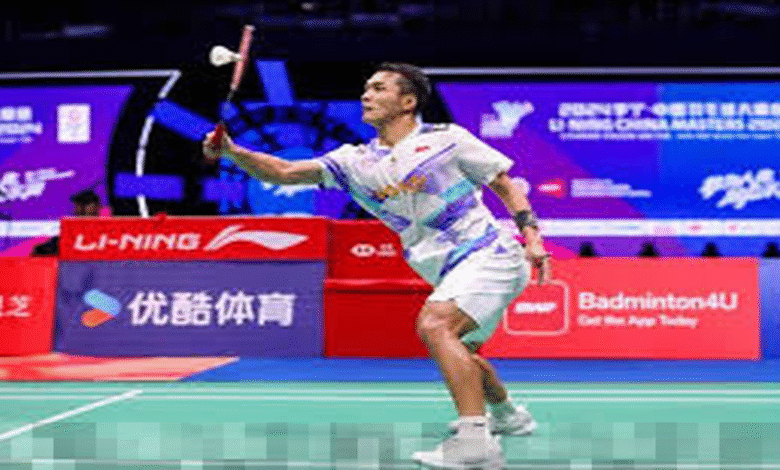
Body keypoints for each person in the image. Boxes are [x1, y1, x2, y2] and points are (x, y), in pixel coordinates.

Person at [203, 62, 550, 469]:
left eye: (379, 88)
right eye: (366, 87)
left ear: (408, 101)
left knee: (436, 325)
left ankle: (475, 443)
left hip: (488, 252)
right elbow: (285, 171)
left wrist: (532, 237)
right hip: (446, 269)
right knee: (463, 351)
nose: (366, 95)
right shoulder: (355, 161)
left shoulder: (446, 140)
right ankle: (509, 416)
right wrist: (233, 151)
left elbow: (502, 182)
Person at [30, 189, 102, 257]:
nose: (80, 208)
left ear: (97, 207)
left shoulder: (105, 232)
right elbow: (44, 249)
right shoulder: (67, 233)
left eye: (85, 204)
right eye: (78, 205)